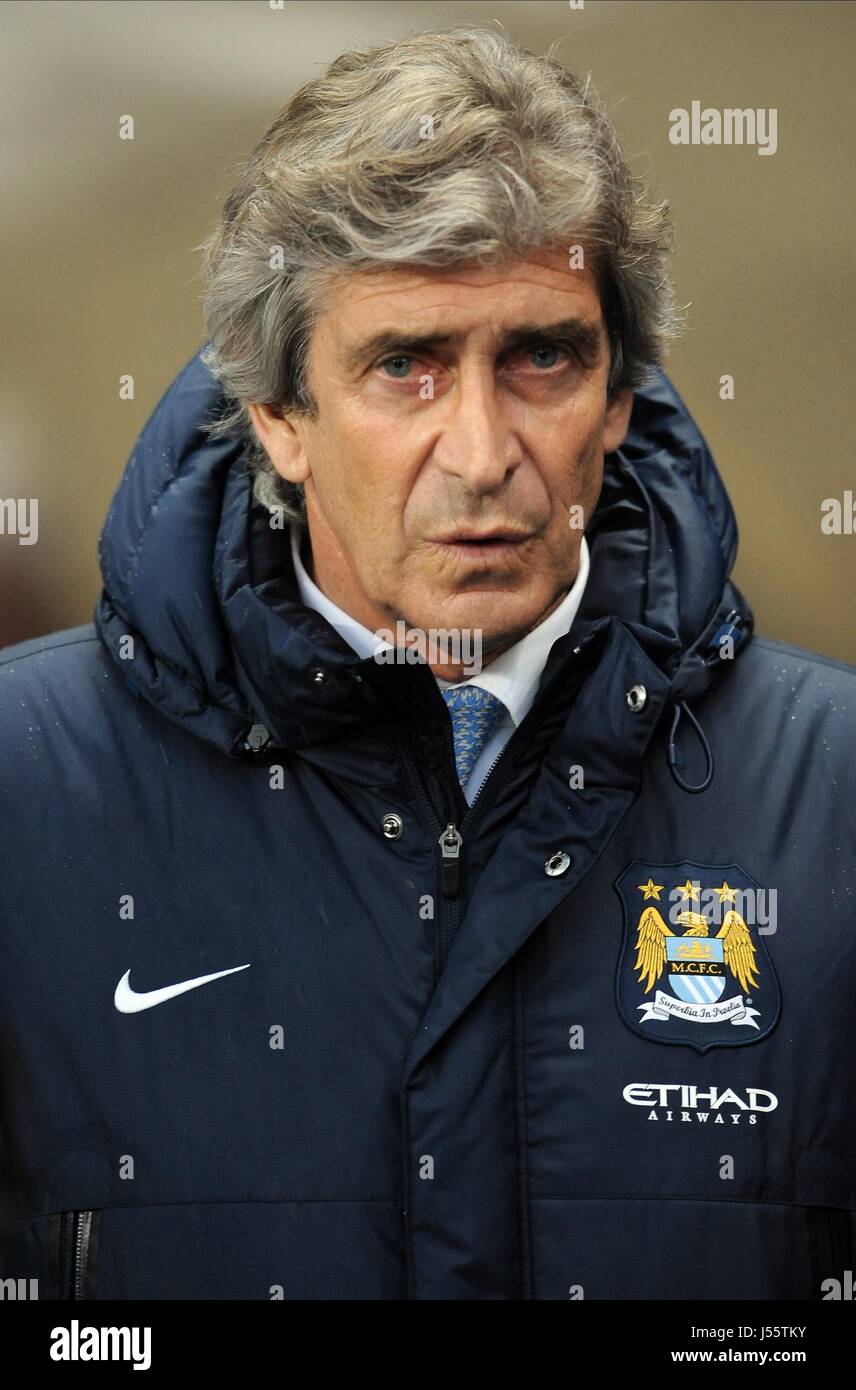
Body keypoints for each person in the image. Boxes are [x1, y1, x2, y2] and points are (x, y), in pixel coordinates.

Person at [1, 26, 854, 1302]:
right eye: (405, 365)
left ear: (618, 396)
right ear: (277, 417)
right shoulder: (26, 789)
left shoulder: (832, 788)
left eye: (542, 357)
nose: (480, 450)